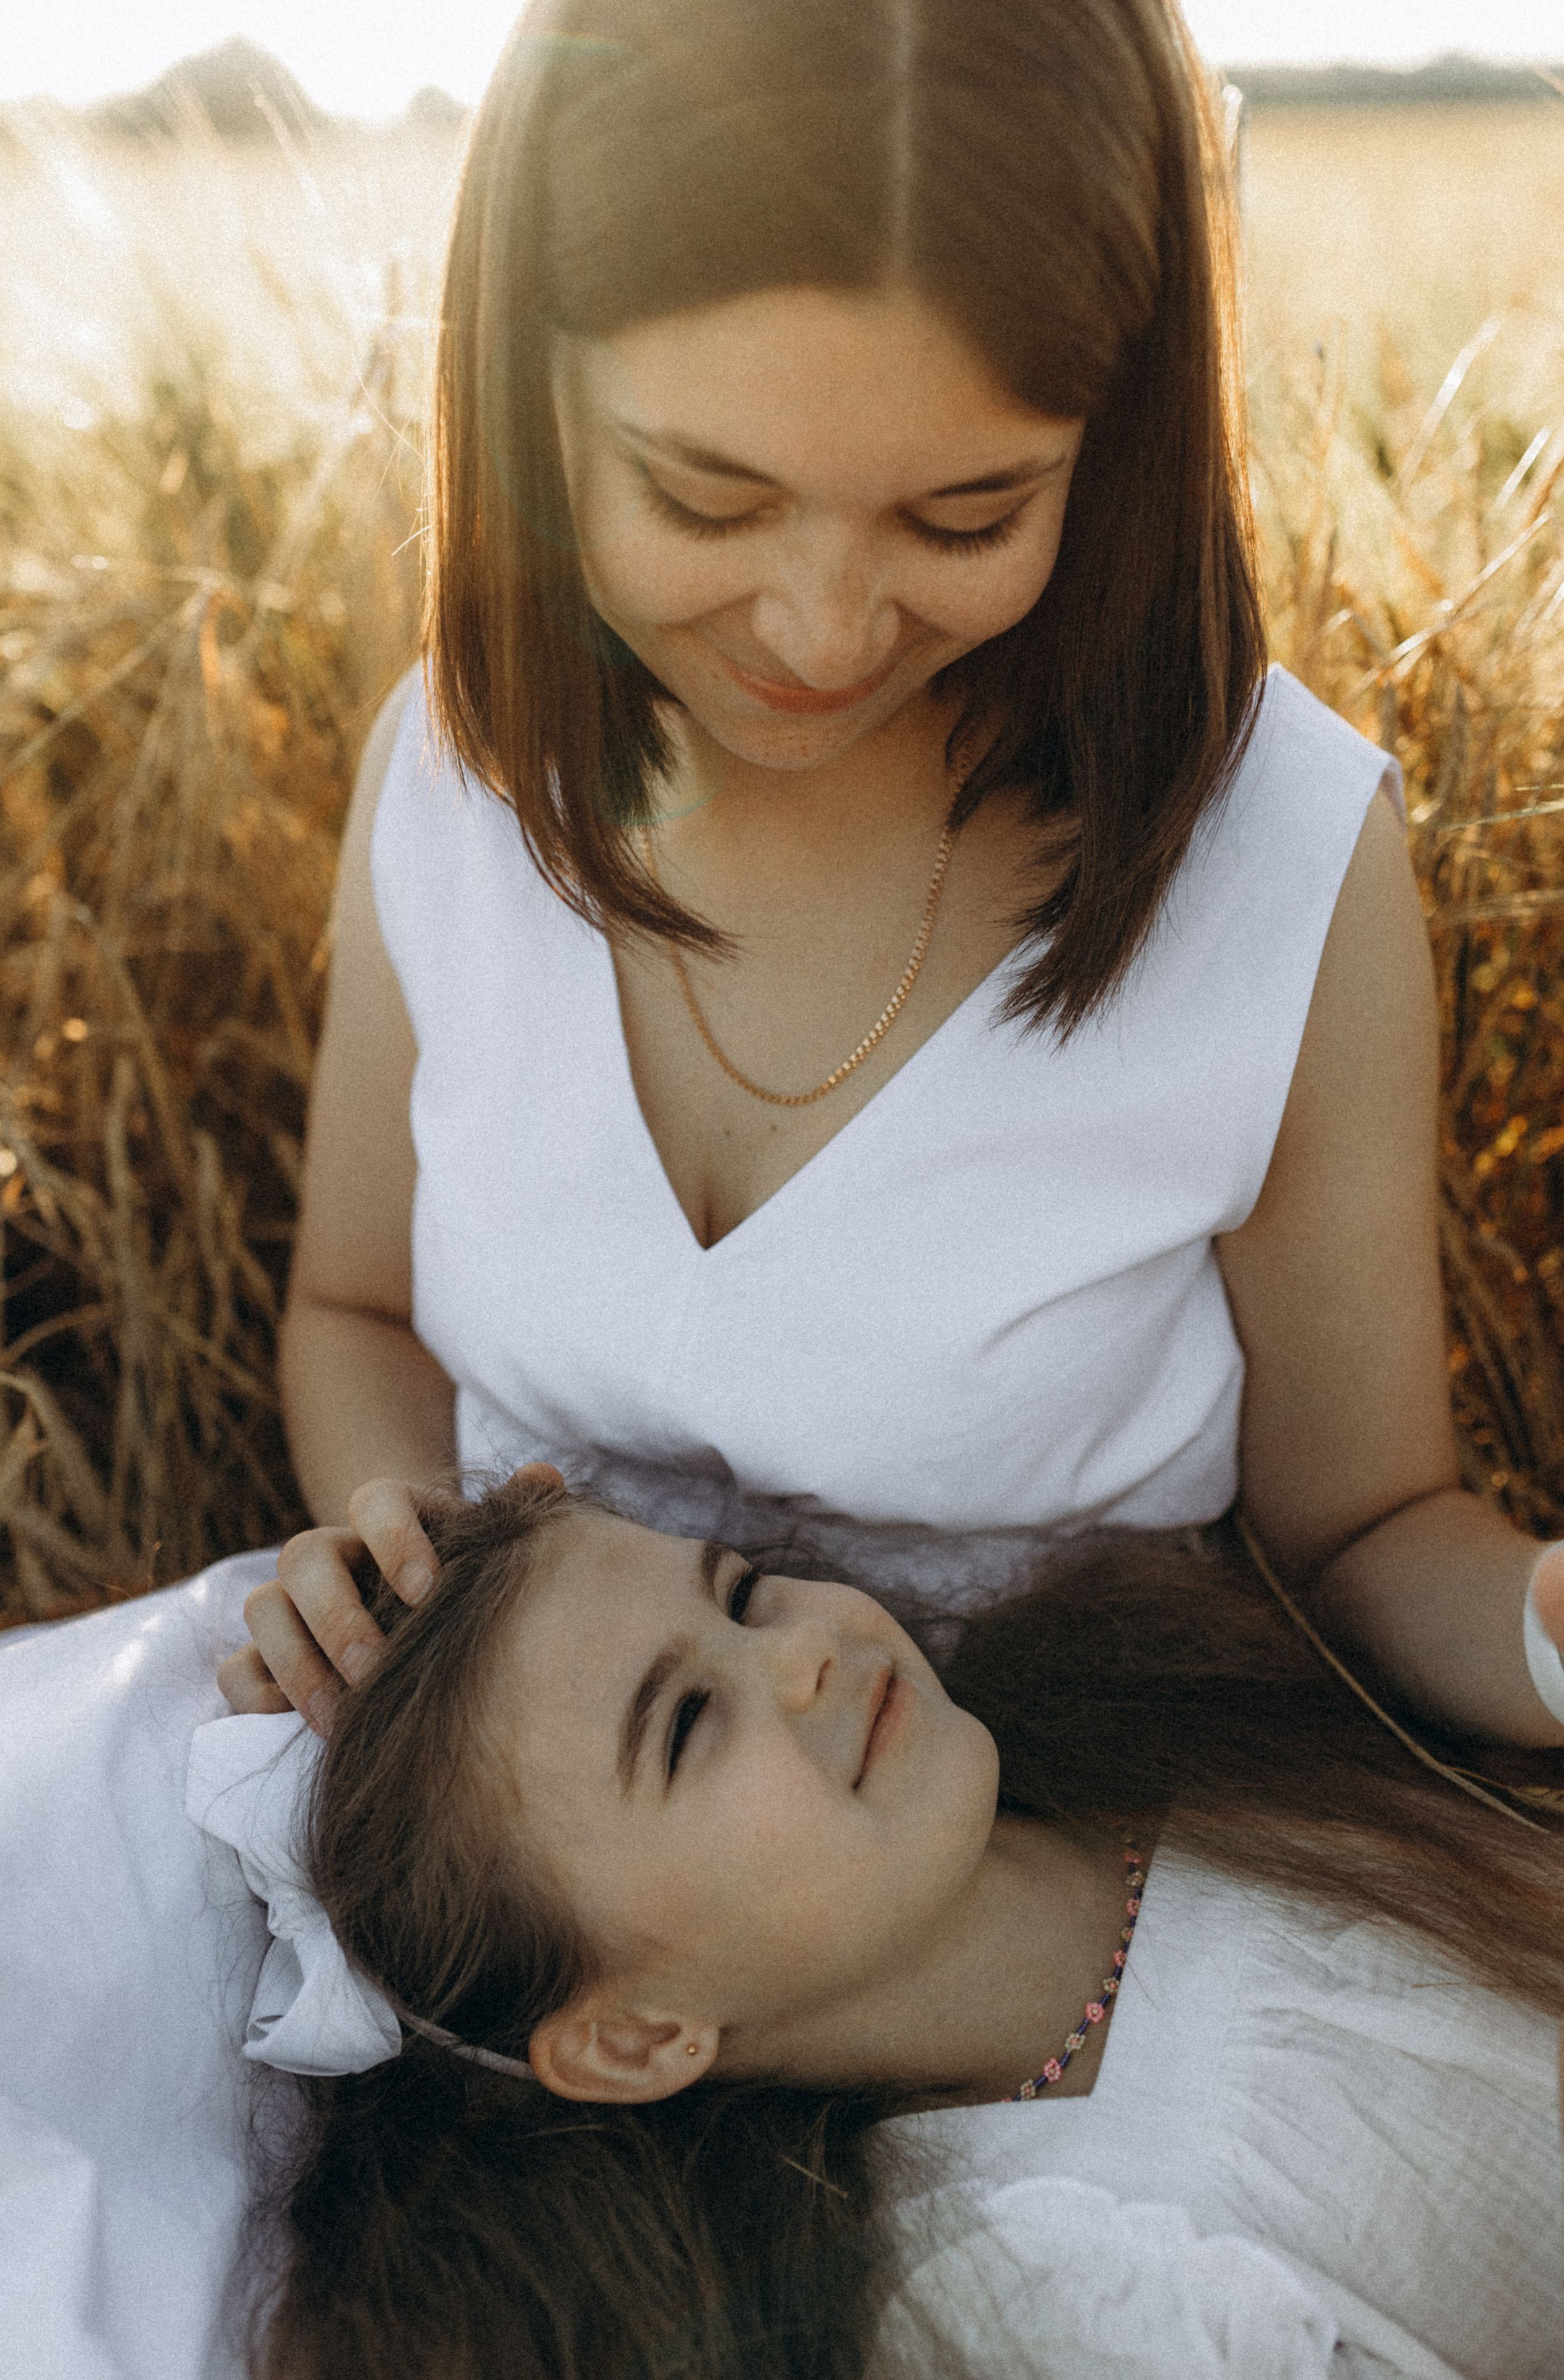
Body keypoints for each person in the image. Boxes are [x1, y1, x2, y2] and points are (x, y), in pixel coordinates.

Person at [219, 0, 1564, 1752]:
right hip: (509, 1889)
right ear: (523, 379)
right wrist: (404, 1557)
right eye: (705, 499)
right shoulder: (453, 770)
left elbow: (1364, 1530)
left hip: (1042, 1908)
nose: (822, 631)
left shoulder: (1280, 862)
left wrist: (1543, 1632)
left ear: (1121, 440)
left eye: (966, 519)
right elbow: (360, 1310)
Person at [197, 1471, 1564, 2379]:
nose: (796, 1653)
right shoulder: (1046, 2283)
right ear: (633, 2037)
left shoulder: (1138, 1711)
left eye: (736, 1593)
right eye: (682, 1728)